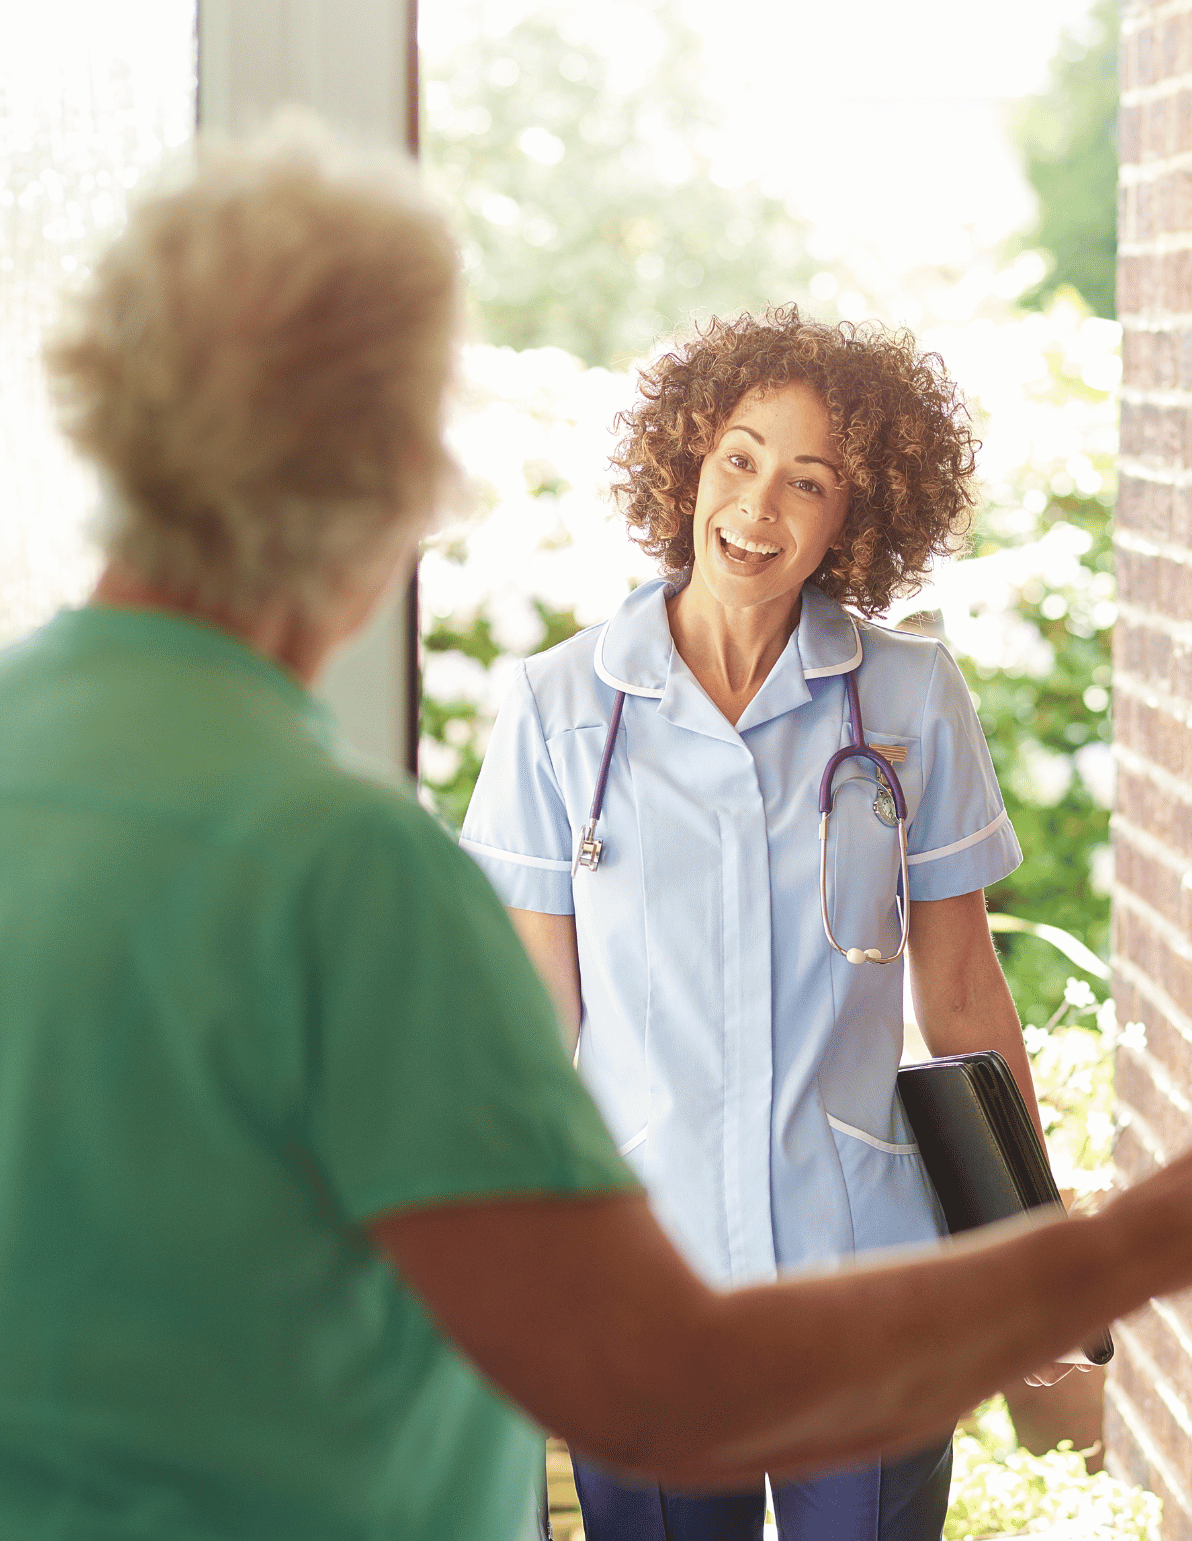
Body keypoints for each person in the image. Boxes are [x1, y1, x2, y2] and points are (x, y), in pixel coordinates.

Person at [0, 125, 1192, 1541]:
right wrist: (1135, 1245)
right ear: (388, 480)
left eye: (812, 482)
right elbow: (655, 1379)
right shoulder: (349, 869)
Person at [456, 309, 1086, 1538]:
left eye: (810, 480)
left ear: (860, 513)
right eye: (737, 459)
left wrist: (1034, 1258)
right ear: (686, 462)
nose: (758, 507)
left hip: (865, 1275)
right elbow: (531, 1030)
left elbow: (958, 991)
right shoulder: (556, 709)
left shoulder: (908, 698)